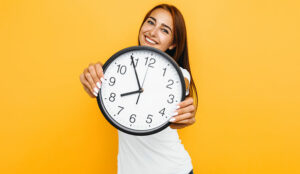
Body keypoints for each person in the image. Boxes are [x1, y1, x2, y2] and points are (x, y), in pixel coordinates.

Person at [79, 4, 198, 174]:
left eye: (164, 30)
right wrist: (90, 80)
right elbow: (99, 87)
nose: (152, 32)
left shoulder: (177, 75)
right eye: (151, 22)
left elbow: (182, 85)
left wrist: (185, 110)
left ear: (173, 44)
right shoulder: (121, 67)